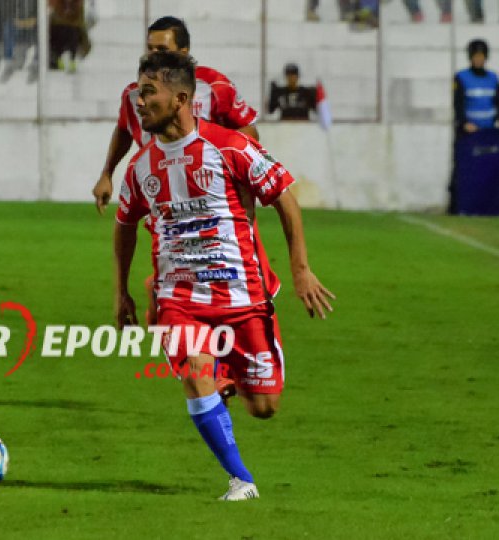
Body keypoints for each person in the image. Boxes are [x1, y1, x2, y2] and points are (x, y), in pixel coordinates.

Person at [113, 51, 335, 502]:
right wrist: (122, 291)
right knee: (196, 372)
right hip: (178, 298)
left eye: (148, 93)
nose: (139, 102)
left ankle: (230, 377)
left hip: (242, 298)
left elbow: (284, 197)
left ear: (180, 99)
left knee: (264, 407)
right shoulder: (140, 169)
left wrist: (301, 269)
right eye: (137, 92)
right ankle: (241, 480)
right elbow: (125, 226)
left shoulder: (229, 147)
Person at [92, 17, 258, 215]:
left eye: (161, 49)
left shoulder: (213, 85)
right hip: (162, 191)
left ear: (183, 53)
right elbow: (123, 131)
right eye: (150, 48)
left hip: (211, 193)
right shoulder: (133, 95)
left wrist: (237, 174)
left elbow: (248, 129)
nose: (154, 55)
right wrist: (107, 174)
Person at [449, 39, 499, 215]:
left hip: (488, 133)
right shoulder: (461, 77)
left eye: (481, 56)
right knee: (465, 173)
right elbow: (458, 104)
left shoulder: (493, 78)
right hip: (469, 135)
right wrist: (463, 123)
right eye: (476, 56)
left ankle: (490, 207)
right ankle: (460, 206)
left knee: (489, 171)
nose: (479, 60)